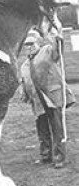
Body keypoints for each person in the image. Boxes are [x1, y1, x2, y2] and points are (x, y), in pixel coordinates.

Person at [21, 29, 76, 168]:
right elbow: (25, 82)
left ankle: (59, 158)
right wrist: (25, 94)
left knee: (57, 128)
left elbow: (58, 50)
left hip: (52, 97)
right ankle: (46, 156)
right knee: (42, 130)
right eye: (27, 44)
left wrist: (57, 37)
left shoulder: (47, 51)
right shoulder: (24, 66)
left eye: (32, 43)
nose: (30, 46)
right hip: (38, 103)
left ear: (38, 42)